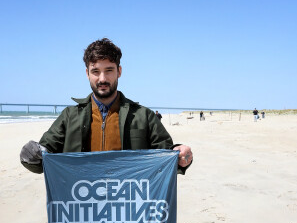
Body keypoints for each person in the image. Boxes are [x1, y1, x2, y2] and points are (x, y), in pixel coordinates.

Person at [20, 38, 193, 174]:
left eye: (109, 70)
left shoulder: (143, 116)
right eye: (95, 71)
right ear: (87, 73)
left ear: (119, 71)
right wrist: (31, 154)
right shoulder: (69, 116)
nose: (102, 79)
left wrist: (180, 156)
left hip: (128, 206)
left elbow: (167, 154)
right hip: (82, 205)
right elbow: (44, 156)